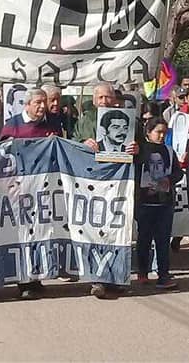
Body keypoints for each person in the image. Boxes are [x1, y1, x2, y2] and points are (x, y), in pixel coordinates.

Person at [72, 83, 137, 298]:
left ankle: (117, 277)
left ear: (115, 99)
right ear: (94, 99)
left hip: (121, 184)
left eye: (108, 98)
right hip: (93, 183)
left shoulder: (130, 119)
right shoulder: (86, 120)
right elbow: (71, 146)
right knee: (95, 228)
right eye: (100, 98)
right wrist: (83, 144)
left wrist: (138, 149)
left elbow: (145, 151)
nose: (104, 102)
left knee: (118, 230)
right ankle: (97, 279)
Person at [0, 88, 55, 300]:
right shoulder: (12, 126)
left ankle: (36, 276)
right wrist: (9, 186)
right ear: (27, 104)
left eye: (44, 102)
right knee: (23, 234)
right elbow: (2, 158)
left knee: (40, 232)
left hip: (42, 189)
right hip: (19, 189)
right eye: (38, 102)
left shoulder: (49, 126)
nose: (42, 106)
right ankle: (24, 281)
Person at [136, 118, 183, 290]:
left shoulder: (169, 152)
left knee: (163, 241)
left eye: (164, 132)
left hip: (164, 203)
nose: (161, 136)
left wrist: (168, 180)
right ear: (148, 132)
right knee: (144, 240)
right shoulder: (141, 151)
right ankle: (142, 271)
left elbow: (178, 173)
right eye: (158, 132)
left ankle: (163, 274)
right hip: (144, 203)